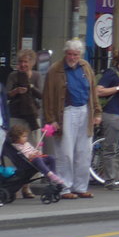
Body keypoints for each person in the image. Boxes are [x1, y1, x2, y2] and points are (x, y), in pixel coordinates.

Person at [41, 39, 101, 199]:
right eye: (70, 54)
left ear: (80, 54)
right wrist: (51, 119)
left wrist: (97, 112)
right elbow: (47, 97)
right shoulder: (55, 70)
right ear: (65, 53)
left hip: (84, 111)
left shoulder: (85, 67)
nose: (72, 57)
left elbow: (93, 91)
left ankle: (80, 187)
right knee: (65, 152)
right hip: (65, 112)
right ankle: (64, 187)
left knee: (84, 151)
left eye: (75, 54)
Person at [95, 47, 119, 189]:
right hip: (111, 114)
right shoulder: (111, 73)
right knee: (111, 148)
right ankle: (110, 181)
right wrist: (117, 88)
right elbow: (98, 90)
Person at [7, 49, 43, 197]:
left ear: (32, 63)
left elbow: (42, 94)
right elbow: (6, 94)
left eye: (25, 62)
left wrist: (30, 87)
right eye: (20, 62)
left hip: (32, 118)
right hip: (16, 116)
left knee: (31, 151)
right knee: (14, 151)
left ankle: (27, 186)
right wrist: (15, 92)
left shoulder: (36, 76)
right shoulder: (12, 75)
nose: (22, 65)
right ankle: (13, 185)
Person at [7, 121, 67, 191]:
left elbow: (32, 150)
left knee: (51, 157)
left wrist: (37, 152)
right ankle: (49, 174)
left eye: (26, 136)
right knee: (37, 159)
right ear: (16, 138)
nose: (26, 138)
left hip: (36, 158)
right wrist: (31, 155)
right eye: (23, 136)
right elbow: (22, 156)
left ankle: (53, 175)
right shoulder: (16, 146)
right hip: (29, 161)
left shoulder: (27, 144)